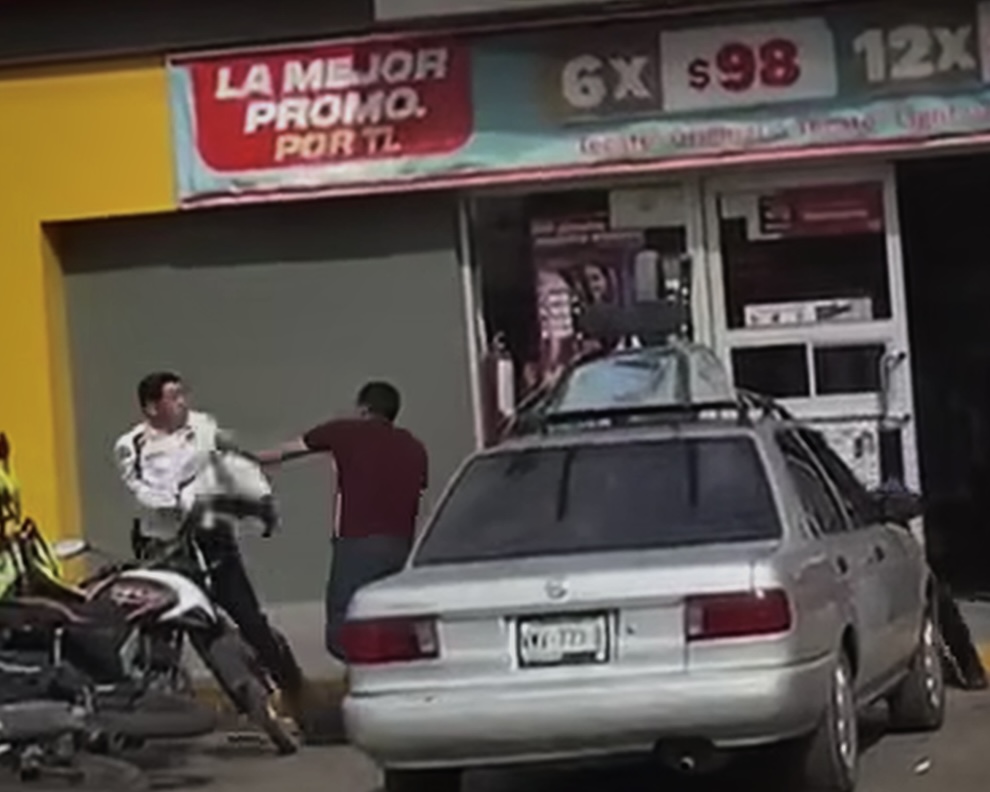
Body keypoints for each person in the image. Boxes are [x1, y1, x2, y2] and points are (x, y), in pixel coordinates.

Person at [113, 371, 312, 722]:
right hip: (163, 544)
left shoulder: (203, 428)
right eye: (173, 397)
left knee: (249, 617)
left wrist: (260, 501)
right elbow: (141, 489)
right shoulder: (131, 445)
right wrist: (177, 501)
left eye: (182, 395)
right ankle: (226, 703)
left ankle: (294, 688)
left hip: (211, 536)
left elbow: (234, 465)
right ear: (151, 407)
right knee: (178, 622)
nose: (182, 403)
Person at [257, 381, 428, 661]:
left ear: (363, 409)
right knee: (391, 626)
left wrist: (238, 460)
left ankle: (366, 673)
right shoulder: (414, 447)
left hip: (357, 545)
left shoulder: (344, 432)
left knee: (342, 632)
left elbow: (283, 453)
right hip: (401, 547)